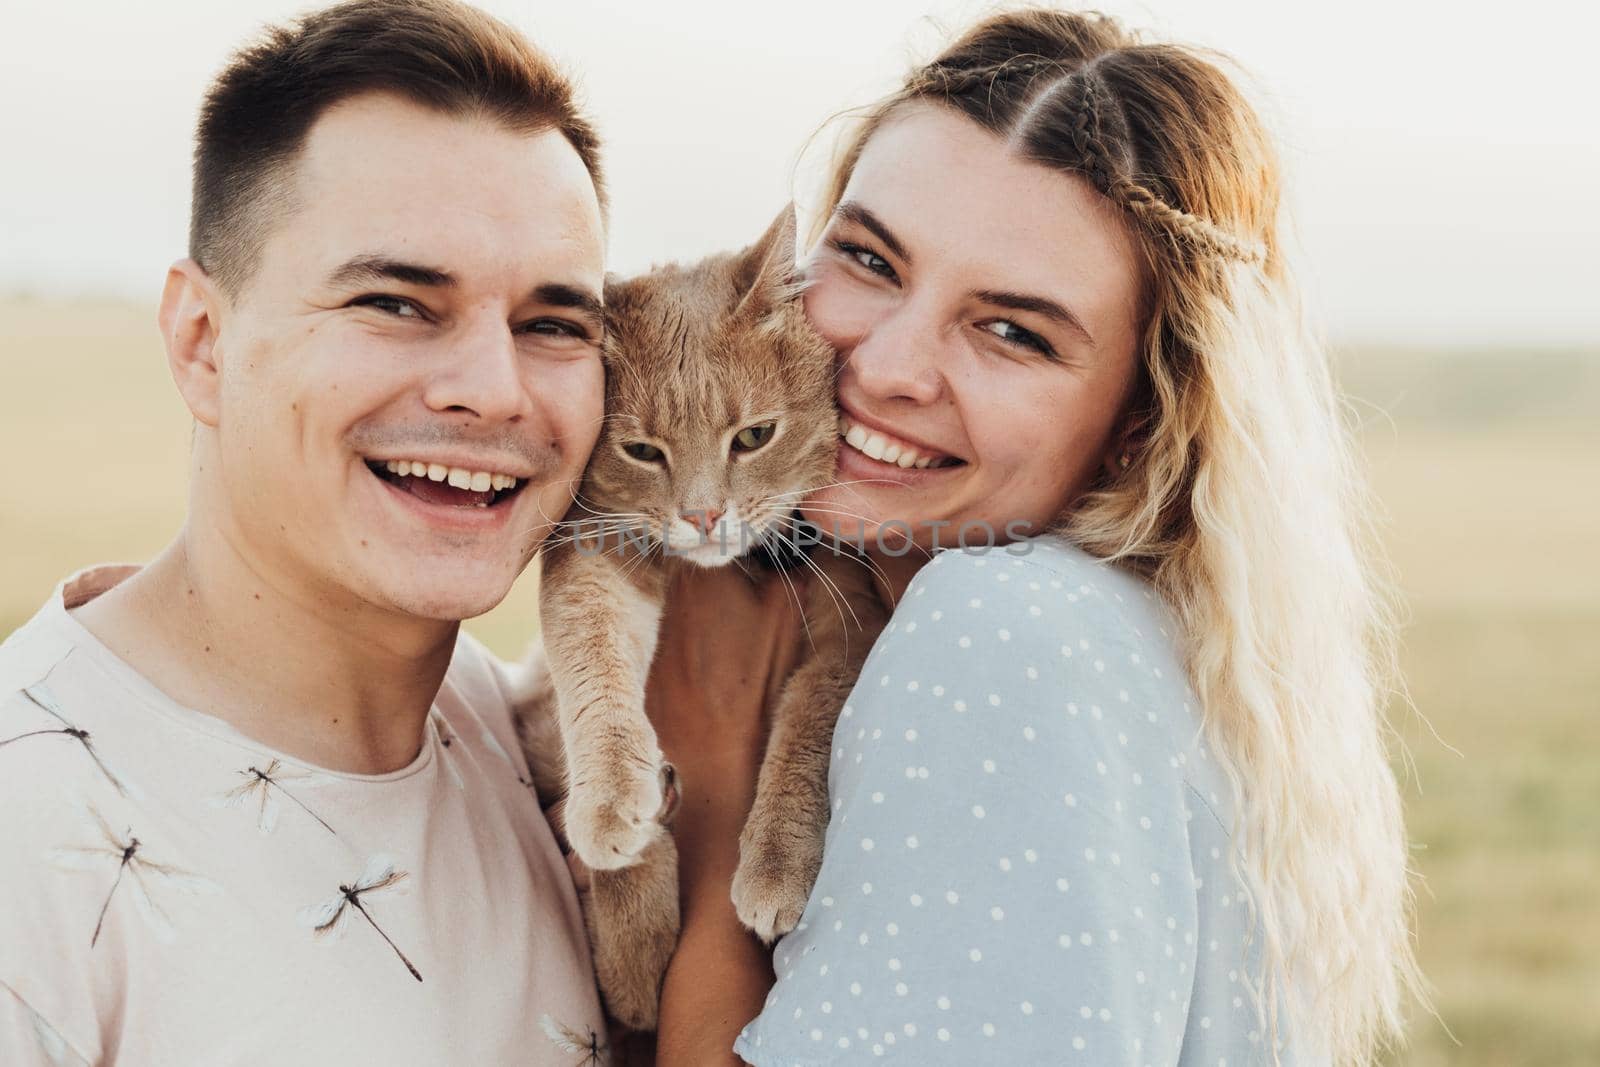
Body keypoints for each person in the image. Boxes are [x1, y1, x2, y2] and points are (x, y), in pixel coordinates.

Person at [651, 10, 1426, 1066]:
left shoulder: (1004, 630)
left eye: (1012, 330)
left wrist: (718, 806)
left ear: (1138, 420)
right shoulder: (1148, 641)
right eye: (871, 259)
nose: (887, 365)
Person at [0, 1, 636, 1062]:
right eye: (395, 302)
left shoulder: (537, 755)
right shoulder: (31, 842)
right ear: (202, 340)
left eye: (553, 324)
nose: (493, 389)